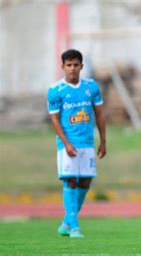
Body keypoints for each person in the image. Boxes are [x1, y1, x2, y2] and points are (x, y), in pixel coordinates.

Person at [47, 49, 106, 238]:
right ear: (63, 66)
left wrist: (103, 141)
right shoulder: (55, 90)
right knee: (71, 180)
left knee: (86, 181)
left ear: (81, 66)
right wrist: (66, 143)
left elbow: (99, 114)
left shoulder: (91, 87)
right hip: (68, 144)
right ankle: (74, 227)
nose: (72, 68)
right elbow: (54, 120)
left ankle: (66, 221)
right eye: (69, 65)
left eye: (76, 65)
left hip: (87, 143)